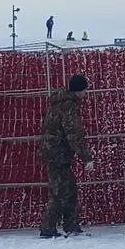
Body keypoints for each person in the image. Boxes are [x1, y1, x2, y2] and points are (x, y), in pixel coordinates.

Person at [39, 74, 95, 238]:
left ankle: (71, 226)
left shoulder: (59, 102)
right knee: (60, 191)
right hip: (58, 154)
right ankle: (48, 228)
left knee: (69, 189)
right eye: (85, 89)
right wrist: (87, 157)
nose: (86, 93)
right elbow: (74, 134)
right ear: (79, 90)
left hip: (53, 152)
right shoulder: (69, 106)